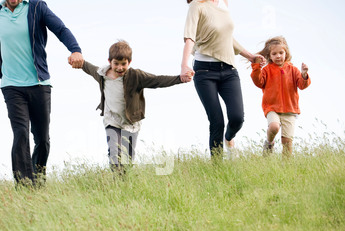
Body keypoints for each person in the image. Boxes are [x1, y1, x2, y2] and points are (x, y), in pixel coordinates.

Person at [0, 0, 84, 186]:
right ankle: (25, 185)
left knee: (42, 138)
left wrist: (75, 50)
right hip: (11, 85)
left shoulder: (36, 7)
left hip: (39, 84)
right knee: (20, 133)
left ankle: (38, 179)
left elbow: (60, 29)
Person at [70, 40, 192, 173]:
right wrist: (77, 61)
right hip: (112, 120)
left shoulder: (136, 76)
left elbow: (157, 80)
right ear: (110, 61)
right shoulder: (102, 74)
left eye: (124, 64)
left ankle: (124, 183)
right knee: (114, 154)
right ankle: (116, 181)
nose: (120, 68)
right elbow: (87, 67)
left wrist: (180, 78)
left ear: (130, 62)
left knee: (127, 160)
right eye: (116, 63)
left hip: (130, 123)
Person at [180, 0, 264, 158]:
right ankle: (217, 166)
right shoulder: (196, 5)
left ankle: (229, 138)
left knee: (237, 118)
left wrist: (251, 56)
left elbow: (227, 38)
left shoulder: (224, 3)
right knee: (217, 121)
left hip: (229, 70)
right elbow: (189, 37)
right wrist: (184, 64)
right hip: (204, 71)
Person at [251, 36, 311, 157]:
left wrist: (304, 75)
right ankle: (269, 142)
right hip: (272, 107)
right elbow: (259, 82)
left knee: (287, 142)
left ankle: (286, 168)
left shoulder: (293, 70)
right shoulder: (267, 70)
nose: (278, 56)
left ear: (286, 53)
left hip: (290, 109)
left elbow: (302, 85)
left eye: (281, 53)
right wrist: (257, 67)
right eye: (274, 54)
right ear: (270, 56)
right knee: (274, 127)